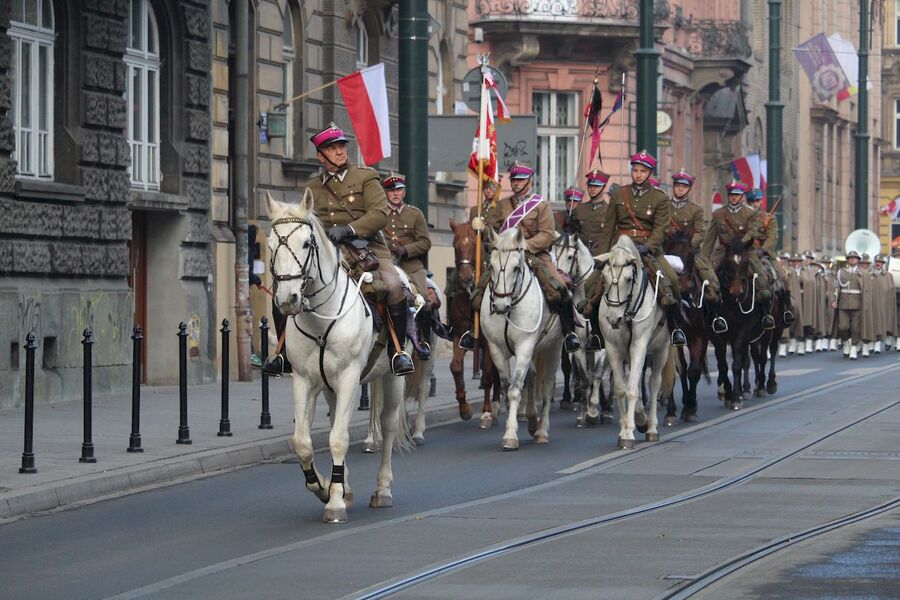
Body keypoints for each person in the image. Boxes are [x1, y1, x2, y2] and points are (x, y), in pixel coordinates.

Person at [288, 123, 414, 376]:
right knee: (288, 285)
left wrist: (350, 229)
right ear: (320, 156)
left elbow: (379, 214)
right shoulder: (312, 186)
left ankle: (398, 351)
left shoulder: (365, 177)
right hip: (327, 250)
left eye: (341, 146)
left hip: (366, 248)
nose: (339, 152)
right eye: (332, 148)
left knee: (393, 285)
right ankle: (281, 353)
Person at [459, 162, 582, 353]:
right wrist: (481, 228)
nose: (516, 184)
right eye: (514, 180)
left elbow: (548, 234)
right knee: (478, 289)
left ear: (529, 182)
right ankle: (470, 331)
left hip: (536, 255)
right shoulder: (503, 205)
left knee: (560, 288)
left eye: (520, 180)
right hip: (507, 256)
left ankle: (569, 333)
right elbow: (494, 230)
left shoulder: (541, 205)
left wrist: (526, 245)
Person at [580, 150, 687, 347]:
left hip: (648, 249)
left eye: (642, 171)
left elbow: (660, 228)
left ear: (650, 173)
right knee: (590, 285)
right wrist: (601, 256)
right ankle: (596, 333)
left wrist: (650, 246)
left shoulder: (659, 198)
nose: (638, 174)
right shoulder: (620, 194)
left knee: (671, 280)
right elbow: (609, 229)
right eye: (635, 170)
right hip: (621, 247)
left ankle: (676, 328)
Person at [700, 180, 775, 330]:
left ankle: (766, 315)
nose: (734, 198)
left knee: (762, 280)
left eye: (737, 195)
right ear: (728, 196)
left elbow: (754, 231)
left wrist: (742, 242)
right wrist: (704, 259)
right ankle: (712, 317)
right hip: (723, 251)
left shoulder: (750, 213)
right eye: (732, 195)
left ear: (742, 196)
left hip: (746, 251)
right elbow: (710, 238)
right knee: (709, 281)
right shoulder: (719, 214)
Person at [665, 169, 727, 334]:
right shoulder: (664, 208)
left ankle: (715, 317)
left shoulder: (696, 210)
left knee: (710, 278)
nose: (680, 189)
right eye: (677, 186)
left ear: (689, 189)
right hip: (667, 252)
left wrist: (687, 247)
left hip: (689, 252)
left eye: (683, 187)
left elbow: (701, 231)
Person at [382, 172, 433, 361]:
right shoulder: (380, 213)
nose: (395, 193)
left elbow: (425, 242)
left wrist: (407, 250)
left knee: (425, 299)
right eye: (391, 190)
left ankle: (424, 339)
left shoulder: (415, 214)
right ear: (385, 192)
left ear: (404, 192)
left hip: (411, 265)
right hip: (386, 263)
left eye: (399, 190)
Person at [746, 189, 795, 326]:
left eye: (758, 201)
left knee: (783, 277)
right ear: (749, 202)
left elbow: (773, 237)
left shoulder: (769, 218)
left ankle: (786, 310)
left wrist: (763, 249)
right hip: (747, 253)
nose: (756, 204)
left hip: (764, 254)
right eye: (753, 201)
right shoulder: (743, 218)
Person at [570, 169, 611, 255]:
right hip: (580, 253)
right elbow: (571, 233)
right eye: (590, 185)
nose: (592, 189)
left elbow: (613, 236)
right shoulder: (579, 209)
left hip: (601, 254)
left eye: (596, 186)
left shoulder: (610, 210)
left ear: (604, 187)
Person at [833, 250, 863, 359]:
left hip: (857, 304)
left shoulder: (862, 273)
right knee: (842, 327)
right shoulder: (841, 272)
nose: (852, 259)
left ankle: (854, 347)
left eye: (855, 258)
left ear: (858, 260)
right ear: (847, 260)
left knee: (856, 328)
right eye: (850, 258)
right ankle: (846, 342)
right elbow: (837, 287)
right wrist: (835, 300)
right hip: (843, 304)